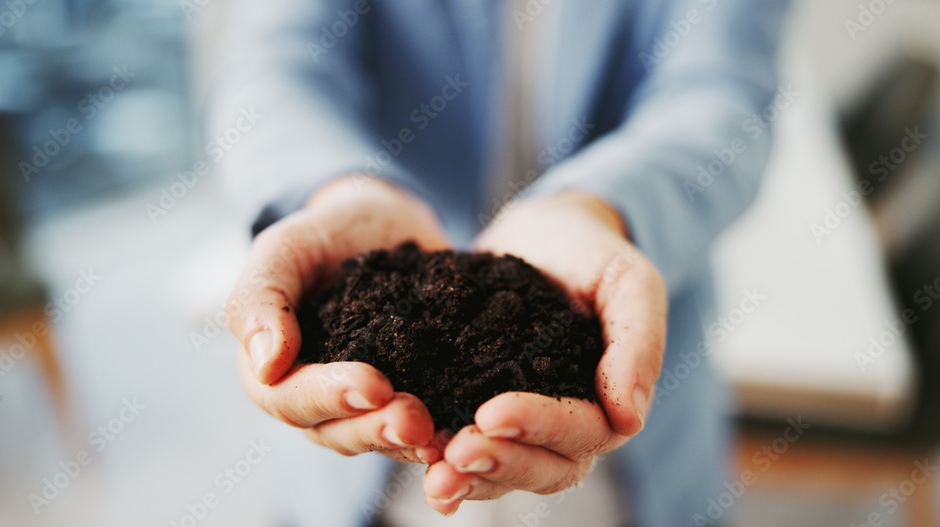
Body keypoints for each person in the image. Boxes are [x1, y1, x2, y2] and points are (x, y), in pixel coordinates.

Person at [210, 1, 788, 525]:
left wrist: (596, 208)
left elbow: (721, 96)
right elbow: (275, 68)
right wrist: (338, 193)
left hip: (634, 464)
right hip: (355, 486)